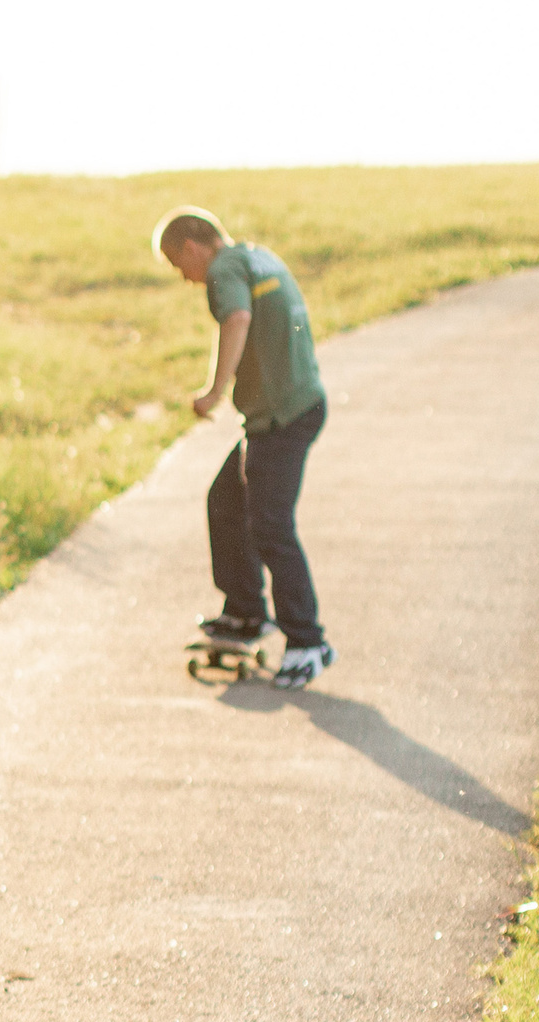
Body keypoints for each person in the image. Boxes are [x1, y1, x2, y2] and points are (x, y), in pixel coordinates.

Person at [154, 206, 334, 690]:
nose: (183, 277)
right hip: (293, 406)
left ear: (192, 246)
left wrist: (215, 391)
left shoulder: (224, 269)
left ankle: (308, 641)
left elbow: (236, 317)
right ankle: (246, 611)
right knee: (226, 501)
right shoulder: (257, 257)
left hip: (280, 420)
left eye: (177, 264)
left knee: (270, 525)